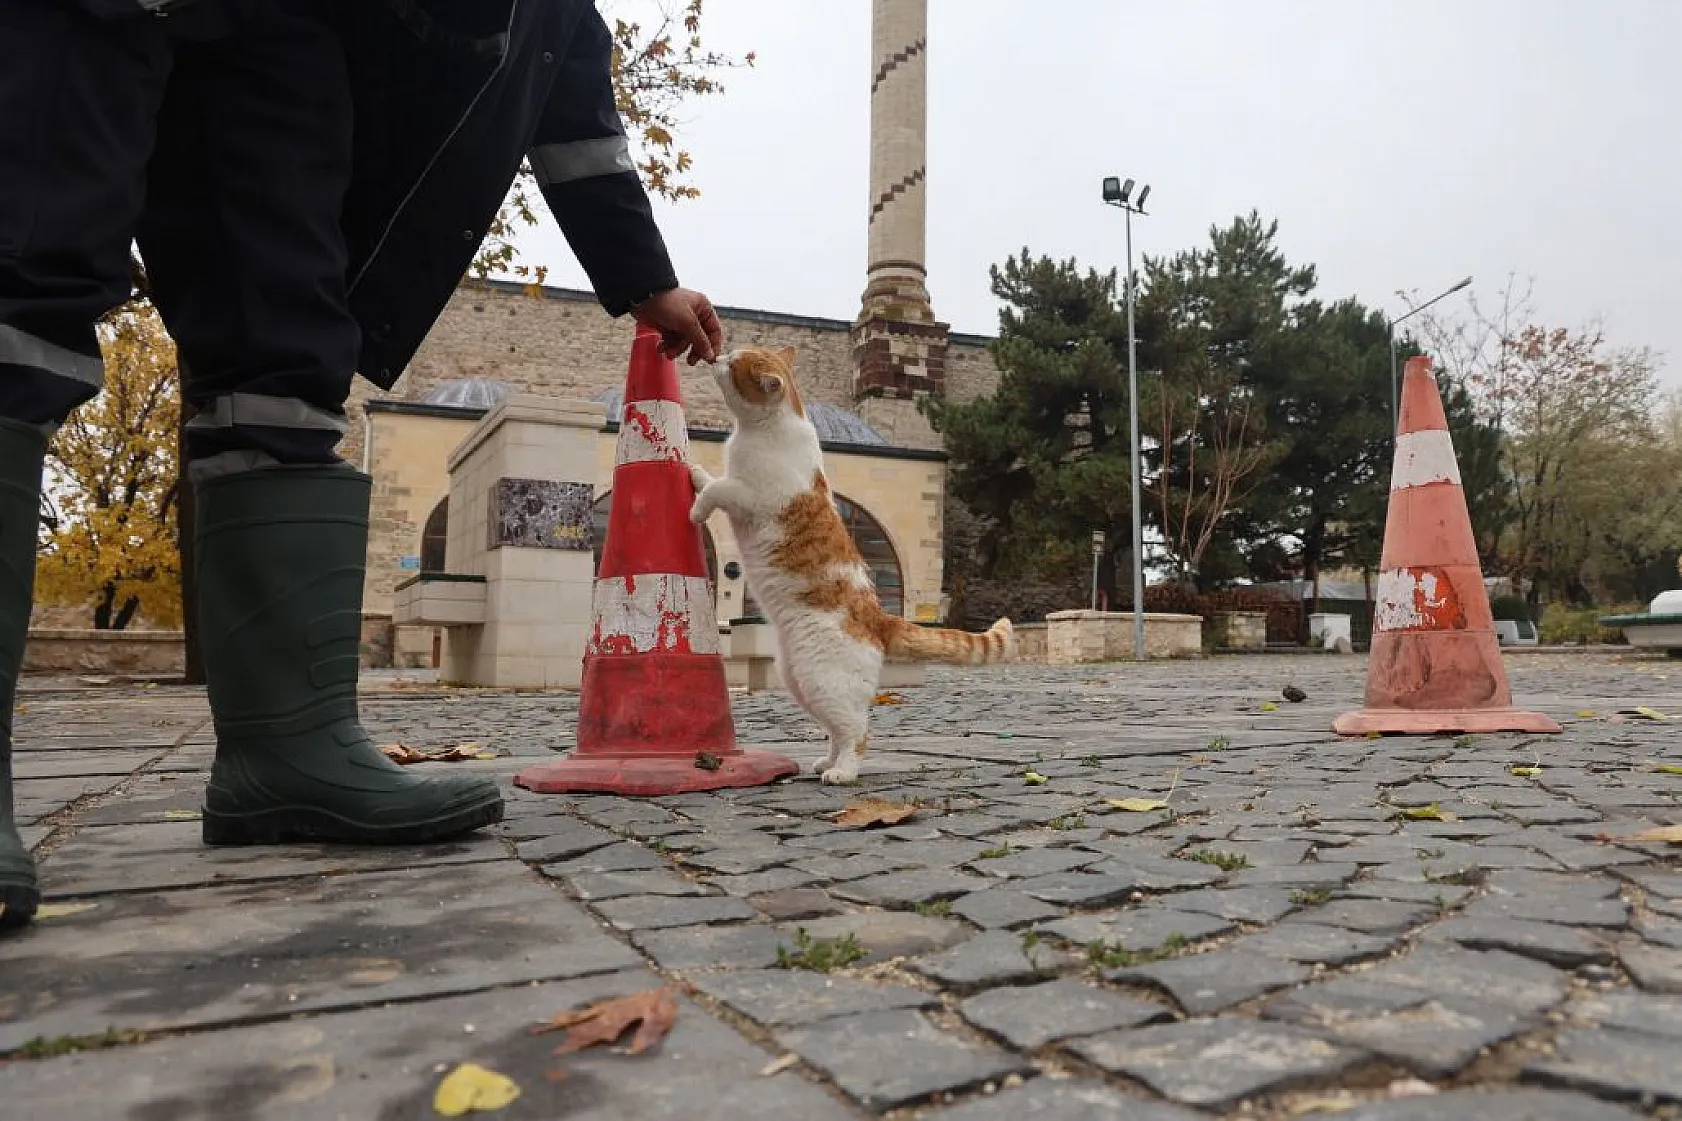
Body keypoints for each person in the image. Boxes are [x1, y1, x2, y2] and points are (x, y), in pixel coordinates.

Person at [0, 0, 724, 930]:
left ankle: (283, 752)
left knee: (282, 355)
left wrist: (643, 276)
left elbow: (572, 94)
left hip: (286, 31)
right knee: (25, 252)